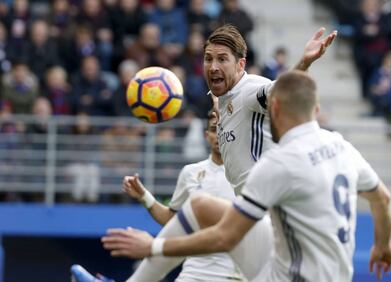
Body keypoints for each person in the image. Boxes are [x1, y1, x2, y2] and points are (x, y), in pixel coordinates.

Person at [72, 24, 337, 281]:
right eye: (209, 59)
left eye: (222, 59)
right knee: (201, 213)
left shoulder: (249, 90)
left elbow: (279, 90)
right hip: (258, 220)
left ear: (241, 64)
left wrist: (304, 62)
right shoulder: (226, 99)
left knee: (200, 208)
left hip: (269, 219)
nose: (213, 66)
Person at [101, 71, 391, 281]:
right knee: (201, 205)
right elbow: (382, 198)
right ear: (316, 109)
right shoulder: (340, 145)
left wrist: (151, 246)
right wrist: (383, 245)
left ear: (275, 107)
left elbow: (224, 237)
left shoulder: (279, 163)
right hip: (324, 273)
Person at [72, 111, 245, 281]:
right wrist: (144, 196)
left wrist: (152, 246)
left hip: (230, 271)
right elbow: (175, 220)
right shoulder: (190, 172)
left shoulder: (247, 172)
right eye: (215, 129)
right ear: (207, 135)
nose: (220, 134)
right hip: (194, 268)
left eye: (225, 128)